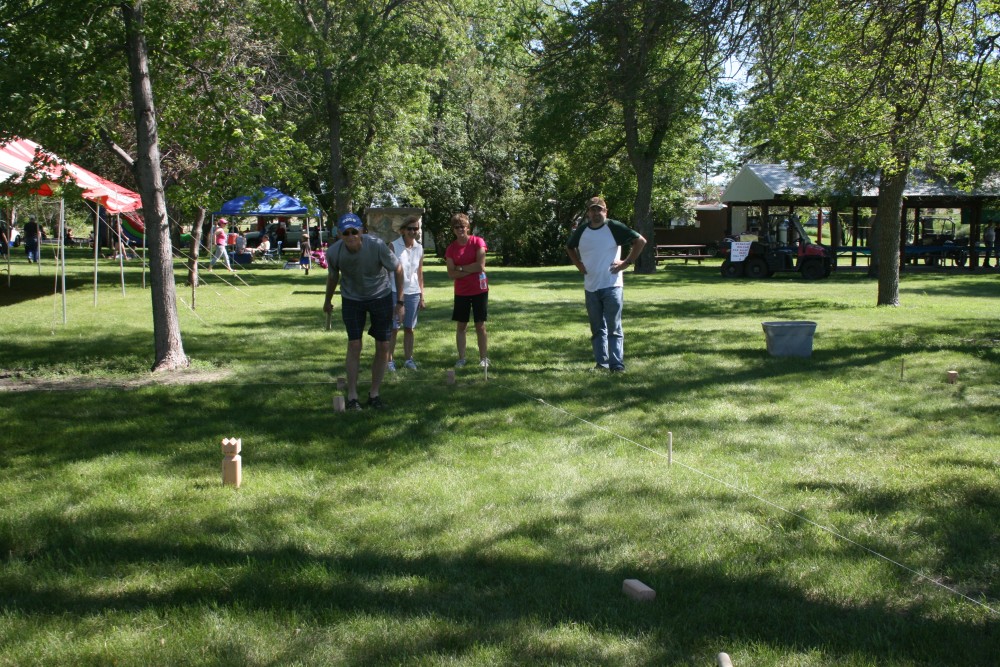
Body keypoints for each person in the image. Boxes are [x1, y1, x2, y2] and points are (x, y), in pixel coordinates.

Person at [323, 213, 404, 410]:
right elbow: (333, 277)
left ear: (361, 231)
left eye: (354, 231)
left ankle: (374, 394)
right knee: (354, 344)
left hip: (380, 295)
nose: (351, 236)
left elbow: (398, 268)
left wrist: (400, 302)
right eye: (346, 233)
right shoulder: (333, 252)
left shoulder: (376, 245)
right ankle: (352, 396)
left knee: (383, 345)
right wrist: (327, 301)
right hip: (352, 298)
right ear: (340, 234)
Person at [566, 196, 647, 372]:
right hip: (591, 287)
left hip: (612, 285)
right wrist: (578, 264)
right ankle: (601, 363)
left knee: (614, 328)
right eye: (593, 209)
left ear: (605, 211)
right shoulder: (582, 230)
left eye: (599, 209)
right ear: (588, 213)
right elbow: (569, 247)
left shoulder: (614, 227)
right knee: (597, 329)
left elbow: (640, 241)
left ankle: (616, 365)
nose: (596, 213)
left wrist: (626, 263)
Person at [445, 212, 489, 368]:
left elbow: (480, 266)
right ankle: (461, 358)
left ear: (468, 227)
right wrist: (470, 269)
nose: (460, 229)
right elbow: (451, 273)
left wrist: (460, 268)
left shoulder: (478, 242)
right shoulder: (451, 249)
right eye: (456, 227)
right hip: (461, 292)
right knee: (461, 326)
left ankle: (483, 358)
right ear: (453, 230)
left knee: (480, 325)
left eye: (462, 226)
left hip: (479, 290)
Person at [387, 215, 426, 371]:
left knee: (409, 328)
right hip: (395, 292)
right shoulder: (393, 246)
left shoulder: (419, 248)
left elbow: (420, 273)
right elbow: (388, 271)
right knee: (394, 328)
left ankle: (409, 359)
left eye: (416, 228)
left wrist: (422, 296)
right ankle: (389, 361)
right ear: (403, 230)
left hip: (414, 293)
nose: (413, 231)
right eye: (409, 228)